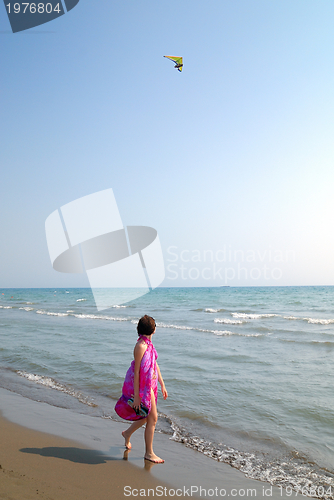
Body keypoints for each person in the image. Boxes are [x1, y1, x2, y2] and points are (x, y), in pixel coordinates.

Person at [115, 315, 168, 463]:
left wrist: (162, 384)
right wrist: (137, 396)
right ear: (153, 329)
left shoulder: (149, 344)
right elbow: (137, 371)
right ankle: (149, 453)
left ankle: (127, 433)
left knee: (146, 417)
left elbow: (154, 364)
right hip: (143, 387)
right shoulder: (141, 346)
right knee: (153, 418)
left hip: (150, 385)